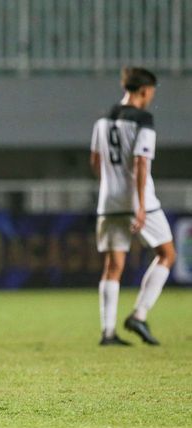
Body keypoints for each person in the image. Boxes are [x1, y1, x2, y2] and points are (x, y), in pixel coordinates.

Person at [90, 67, 176, 346]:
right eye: (151, 92)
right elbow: (141, 162)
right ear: (144, 90)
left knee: (112, 266)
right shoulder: (143, 120)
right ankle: (139, 314)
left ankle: (107, 332)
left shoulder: (103, 119)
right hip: (140, 201)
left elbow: (95, 161)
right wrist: (139, 205)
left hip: (109, 201)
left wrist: (110, 185)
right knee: (166, 254)